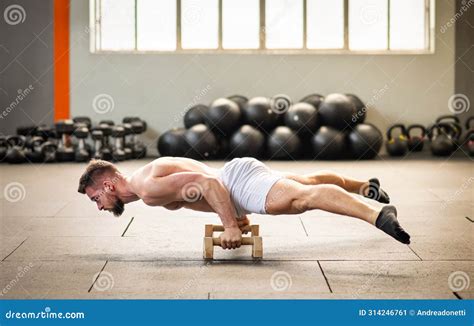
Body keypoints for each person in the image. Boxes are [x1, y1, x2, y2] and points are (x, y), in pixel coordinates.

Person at [78, 157, 410, 249]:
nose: (99, 206)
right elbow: (198, 193)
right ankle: (367, 187)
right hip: (236, 177)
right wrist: (234, 215)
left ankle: (378, 214)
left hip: (235, 183)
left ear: (107, 183)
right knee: (306, 182)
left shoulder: (148, 187)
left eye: (96, 198)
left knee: (300, 199)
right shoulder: (145, 183)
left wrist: (232, 225)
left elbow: (208, 184)